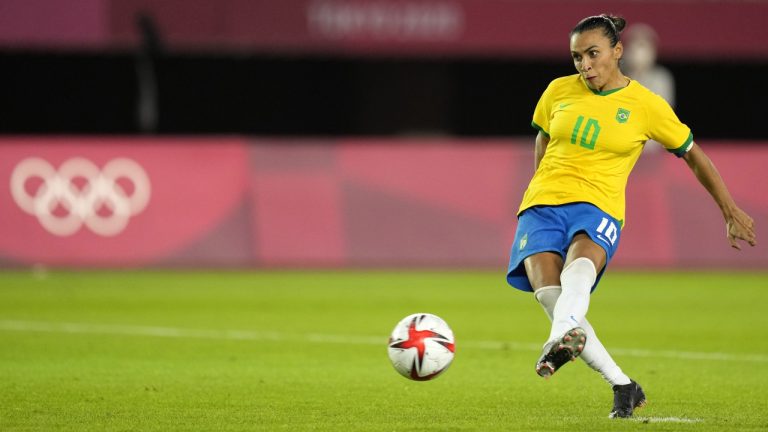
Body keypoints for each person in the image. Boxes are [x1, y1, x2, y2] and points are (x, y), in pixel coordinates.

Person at [505, 14, 757, 419]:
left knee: (577, 275)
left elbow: (693, 154)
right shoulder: (557, 91)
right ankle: (623, 385)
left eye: (592, 54)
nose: (584, 65)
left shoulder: (646, 105)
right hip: (542, 205)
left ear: (617, 52)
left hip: (599, 205)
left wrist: (728, 209)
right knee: (553, 298)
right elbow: (543, 137)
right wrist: (538, 187)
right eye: (576, 57)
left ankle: (559, 338)